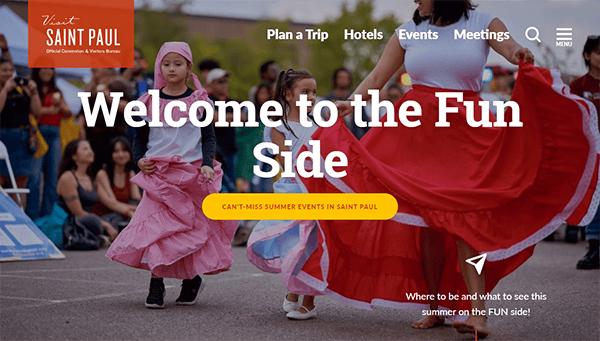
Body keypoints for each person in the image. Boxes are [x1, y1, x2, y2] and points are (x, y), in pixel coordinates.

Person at [293, 0, 599, 339]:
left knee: (460, 214)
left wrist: (519, 54)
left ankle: (477, 313)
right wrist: (350, 105)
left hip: (466, 130)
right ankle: (435, 307)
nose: (414, 0)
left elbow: (510, 47)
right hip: (414, 131)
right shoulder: (409, 31)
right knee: (427, 218)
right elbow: (379, 76)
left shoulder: (483, 21)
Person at [105, 42, 238, 309]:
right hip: (158, 178)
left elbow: (208, 137)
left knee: (192, 230)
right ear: (159, 68)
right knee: (157, 229)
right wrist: (139, 160)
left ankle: (192, 278)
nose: (171, 69)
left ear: (189, 68)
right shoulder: (148, 102)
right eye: (166, 64)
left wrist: (207, 164)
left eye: (178, 63)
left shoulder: (200, 102)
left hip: (191, 177)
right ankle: (157, 283)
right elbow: (139, 139)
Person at [246, 69, 320, 320]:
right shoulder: (279, 125)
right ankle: (293, 289)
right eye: (305, 92)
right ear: (288, 95)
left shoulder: (320, 124)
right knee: (294, 245)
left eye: (314, 92)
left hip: (317, 189)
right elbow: (286, 161)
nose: (311, 97)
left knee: (313, 244)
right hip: (292, 188)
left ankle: (308, 301)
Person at [570, 35, 600, 269]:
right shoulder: (579, 86)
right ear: (587, 56)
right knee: (595, 198)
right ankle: (594, 247)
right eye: (598, 51)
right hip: (592, 153)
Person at [26, 67, 72, 220]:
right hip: (38, 134)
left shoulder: (56, 90)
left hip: (55, 135)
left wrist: (61, 107)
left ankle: (48, 219)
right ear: (37, 71)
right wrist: (49, 110)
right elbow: (31, 112)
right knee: (35, 178)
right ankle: (32, 217)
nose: (47, 71)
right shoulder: (32, 89)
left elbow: (68, 113)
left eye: (50, 69)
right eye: (43, 68)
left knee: (52, 179)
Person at [56, 139, 120, 245]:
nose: (91, 152)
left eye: (90, 148)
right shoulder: (68, 177)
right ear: (74, 156)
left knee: (116, 217)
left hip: (89, 220)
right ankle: (102, 237)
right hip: (72, 222)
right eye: (85, 149)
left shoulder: (90, 178)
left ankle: (103, 238)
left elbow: (111, 202)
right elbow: (78, 213)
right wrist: (106, 225)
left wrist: (133, 211)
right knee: (93, 220)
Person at [0, 58, 42, 207]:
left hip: (23, 137)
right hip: (3, 137)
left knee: (20, 183)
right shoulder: (4, 89)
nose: (7, 73)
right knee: (1, 179)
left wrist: (34, 91)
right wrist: (5, 89)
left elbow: (37, 111)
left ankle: (17, 214)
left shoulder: (21, 88)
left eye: (10, 70)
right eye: (3, 70)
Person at [92, 136, 141, 230]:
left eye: (124, 150)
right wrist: (132, 213)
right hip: (104, 219)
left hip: (123, 215)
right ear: (111, 155)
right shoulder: (102, 174)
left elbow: (136, 200)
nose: (121, 155)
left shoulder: (130, 173)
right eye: (116, 151)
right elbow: (112, 204)